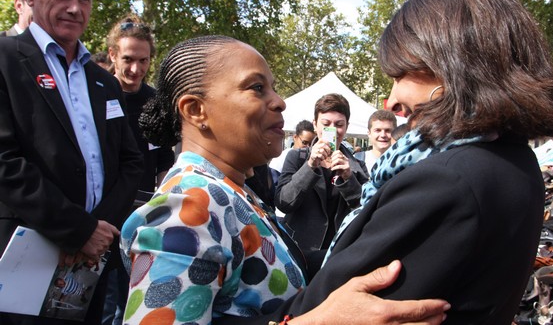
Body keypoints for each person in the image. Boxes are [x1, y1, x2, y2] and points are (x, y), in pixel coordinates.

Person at [214, 0, 553, 324]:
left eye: (400, 75)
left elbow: (330, 308)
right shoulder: (513, 159)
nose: (392, 100)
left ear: (453, 64)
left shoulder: (446, 180)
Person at [120, 35, 449, 325]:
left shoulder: (231, 192)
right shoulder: (186, 210)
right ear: (195, 111)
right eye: (257, 87)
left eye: (273, 88)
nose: (280, 102)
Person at [0, 0, 144, 324]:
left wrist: (99, 229)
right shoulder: (4, 60)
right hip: (21, 257)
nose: (75, 8)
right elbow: (4, 161)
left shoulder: (104, 81)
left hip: (90, 264)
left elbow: (130, 161)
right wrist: (77, 229)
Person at [102, 15, 175, 325]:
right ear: (112, 56)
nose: (136, 69)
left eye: (143, 60)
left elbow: (163, 162)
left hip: (142, 220)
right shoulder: (97, 92)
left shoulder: (155, 101)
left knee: (128, 302)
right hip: (101, 217)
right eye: (128, 59)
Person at [275, 93, 368, 257]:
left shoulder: (356, 165)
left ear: (346, 127)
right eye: (326, 124)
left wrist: (349, 178)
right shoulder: (297, 157)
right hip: (299, 250)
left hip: (338, 252)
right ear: (315, 125)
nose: (332, 130)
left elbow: (365, 210)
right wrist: (310, 166)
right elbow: (284, 202)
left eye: (339, 124)